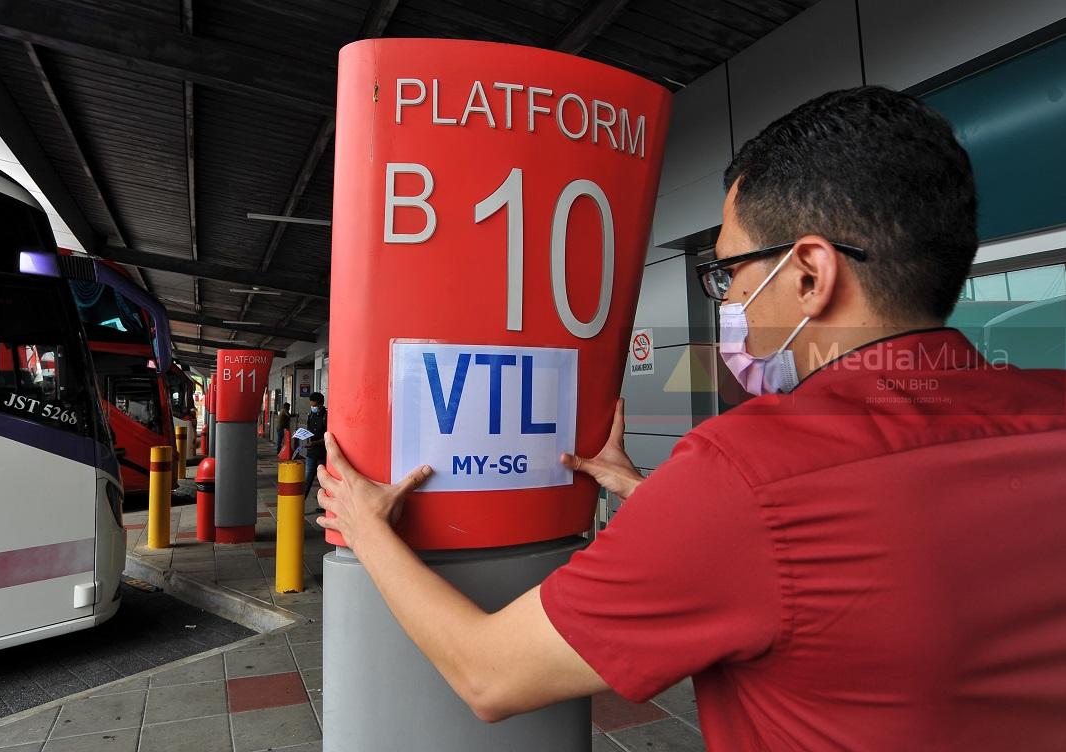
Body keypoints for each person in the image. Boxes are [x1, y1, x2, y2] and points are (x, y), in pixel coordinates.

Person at [313, 86, 1066, 750]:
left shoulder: (747, 475)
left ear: (810, 274)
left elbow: (489, 675)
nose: (729, 299)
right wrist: (653, 499)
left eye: (730, 271)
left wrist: (366, 527)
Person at [302, 391, 327, 509]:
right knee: (307, 479)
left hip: (323, 453)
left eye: (315, 405)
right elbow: (309, 431)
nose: (313, 407)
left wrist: (315, 442)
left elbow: (328, 436)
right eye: (311, 405)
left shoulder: (327, 416)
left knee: (324, 480)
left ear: (321, 404)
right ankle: (299, 504)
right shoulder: (310, 415)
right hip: (311, 453)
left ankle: (324, 505)